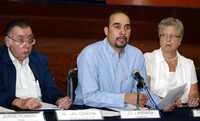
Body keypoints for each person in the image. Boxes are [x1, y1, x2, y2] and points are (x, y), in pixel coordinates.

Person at [74, 11, 160, 108]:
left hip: (124, 111)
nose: (123, 32)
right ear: (106, 31)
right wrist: (124, 98)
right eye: (117, 26)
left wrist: (162, 103)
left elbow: (142, 92)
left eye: (127, 28)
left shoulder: (136, 55)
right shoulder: (89, 54)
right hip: (90, 111)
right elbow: (89, 97)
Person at [0, 19, 72, 110]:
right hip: (10, 111)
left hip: (39, 110)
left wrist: (59, 99)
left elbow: (50, 89)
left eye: (30, 40)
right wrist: (19, 102)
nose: (27, 45)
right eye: (21, 40)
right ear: (8, 42)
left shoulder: (39, 60)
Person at [144, 17, 199, 108]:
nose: (168, 39)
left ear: (180, 40)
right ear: (159, 38)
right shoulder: (148, 58)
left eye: (172, 36)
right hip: (156, 110)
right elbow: (145, 91)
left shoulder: (189, 64)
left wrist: (193, 99)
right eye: (163, 35)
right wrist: (164, 101)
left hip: (182, 111)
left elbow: (194, 92)